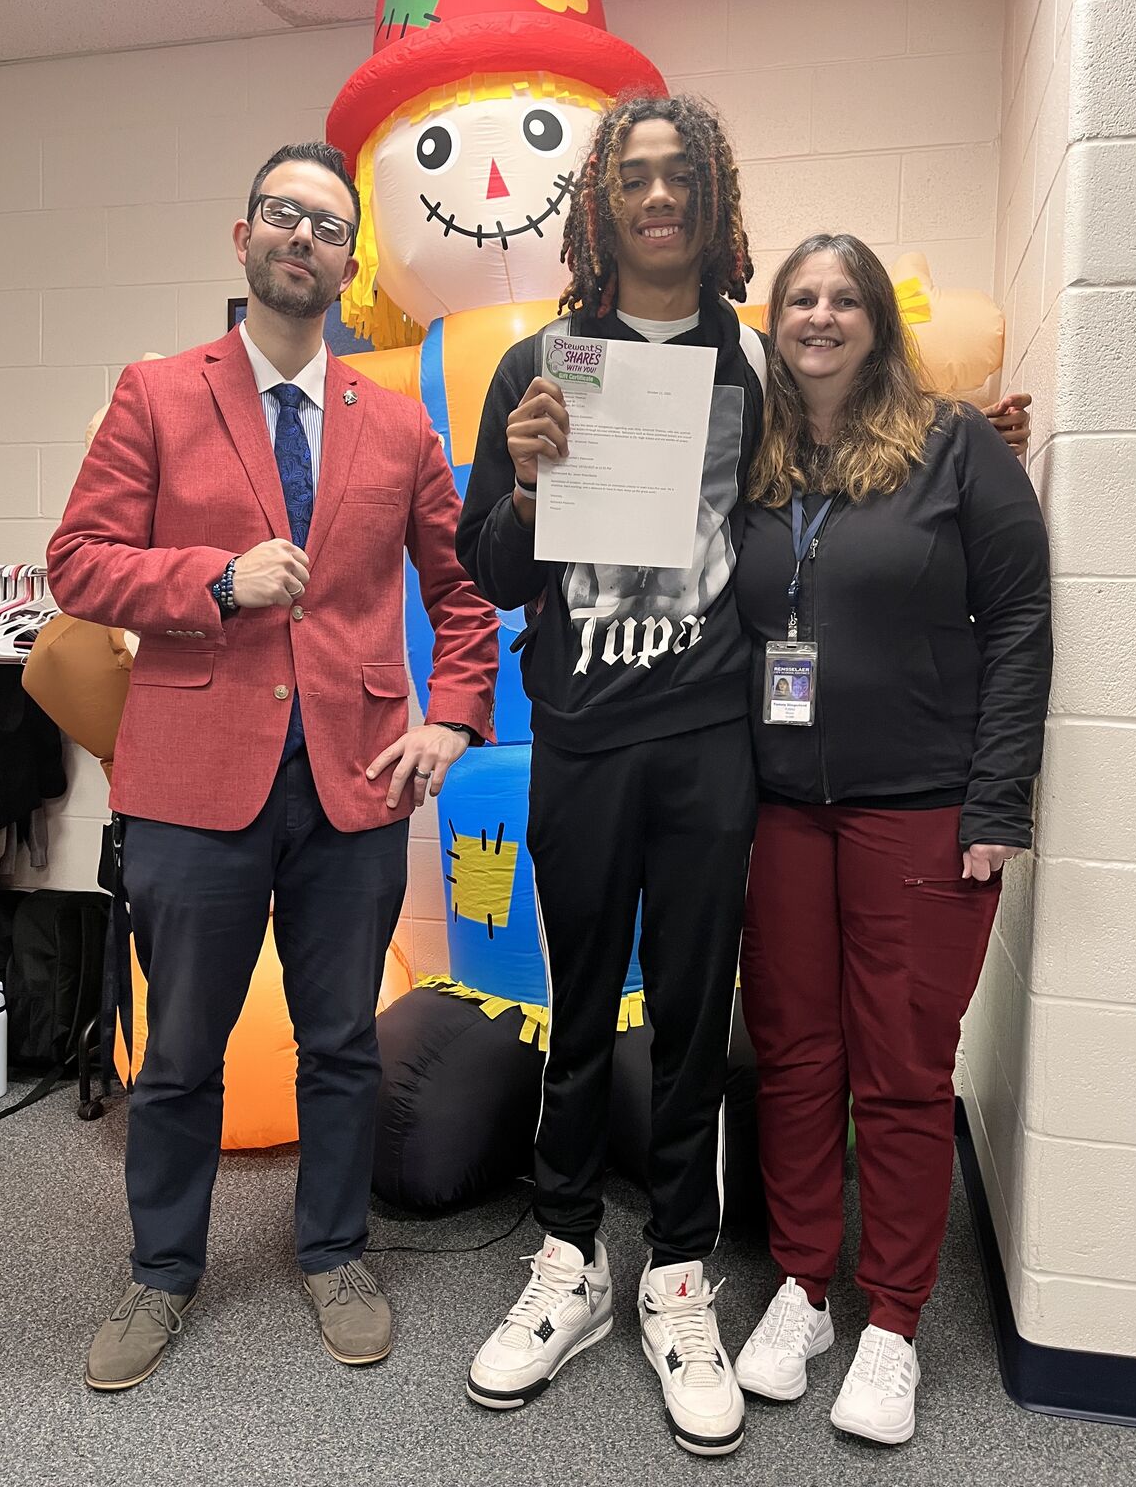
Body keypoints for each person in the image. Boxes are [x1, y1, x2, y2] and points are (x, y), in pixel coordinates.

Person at [47, 142, 498, 1392]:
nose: (306, 237)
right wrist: (210, 579)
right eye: (285, 215)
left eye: (330, 225)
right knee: (183, 1047)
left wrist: (454, 720)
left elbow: (465, 603)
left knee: (342, 1043)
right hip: (193, 781)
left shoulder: (401, 423)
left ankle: (335, 1251)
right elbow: (78, 561)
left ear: (351, 267)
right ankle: (161, 1272)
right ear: (241, 236)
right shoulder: (156, 391)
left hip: (355, 782)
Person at [457, 96, 765, 1457]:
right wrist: (524, 489)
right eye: (633, 177)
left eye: (677, 175)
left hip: (707, 736)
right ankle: (571, 1260)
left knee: (695, 1012)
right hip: (580, 734)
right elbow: (490, 571)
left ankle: (681, 1276)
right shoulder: (537, 358)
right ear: (602, 203)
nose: (657, 196)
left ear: (709, 198)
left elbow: (796, 544)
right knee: (581, 1006)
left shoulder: (749, 361)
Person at [731, 234, 1052, 1446]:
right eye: (800, 298)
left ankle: (897, 1317)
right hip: (778, 806)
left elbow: (1021, 617)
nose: (820, 315)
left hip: (918, 803)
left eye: (843, 298)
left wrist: (997, 799)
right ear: (776, 322)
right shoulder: (753, 463)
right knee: (796, 1052)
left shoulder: (953, 444)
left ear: (876, 321)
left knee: (905, 1070)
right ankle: (808, 1284)